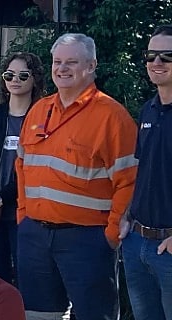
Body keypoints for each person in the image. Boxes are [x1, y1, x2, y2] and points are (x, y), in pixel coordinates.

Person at [16, 33, 135, 320]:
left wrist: (110, 235)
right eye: (57, 62)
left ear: (92, 66)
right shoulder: (39, 110)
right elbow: (20, 166)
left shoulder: (112, 116)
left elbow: (129, 180)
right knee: (38, 315)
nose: (62, 68)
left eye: (72, 62)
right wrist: (23, 216)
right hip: (35, 235)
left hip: (87, 239)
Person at [0, 52, 45, 283]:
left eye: (23, 75)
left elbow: (33, 165)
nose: (15, 80)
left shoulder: (43, 118)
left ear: (35, 79)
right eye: (9, 74)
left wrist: (0, 198)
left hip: (26, 211)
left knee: (28, 276)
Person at [122, 24, 172, 320]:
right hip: (137, 242)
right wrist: (127, 217)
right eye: (151, 55)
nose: (157, 63)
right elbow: (144, 171)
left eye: (167, 56)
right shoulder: (148, 110)